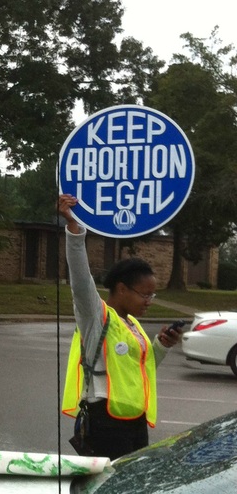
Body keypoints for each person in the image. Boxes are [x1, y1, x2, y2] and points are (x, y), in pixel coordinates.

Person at [58, 193, 184, 459]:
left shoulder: (133, 324)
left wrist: (161, 345)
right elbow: (81, 280)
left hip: (135, 420)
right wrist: (73, 229)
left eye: (153, 295)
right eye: (145, 294)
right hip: (106, 422)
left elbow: (140, 367)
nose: (149, 301)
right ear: (122, 289)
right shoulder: (96, 316)